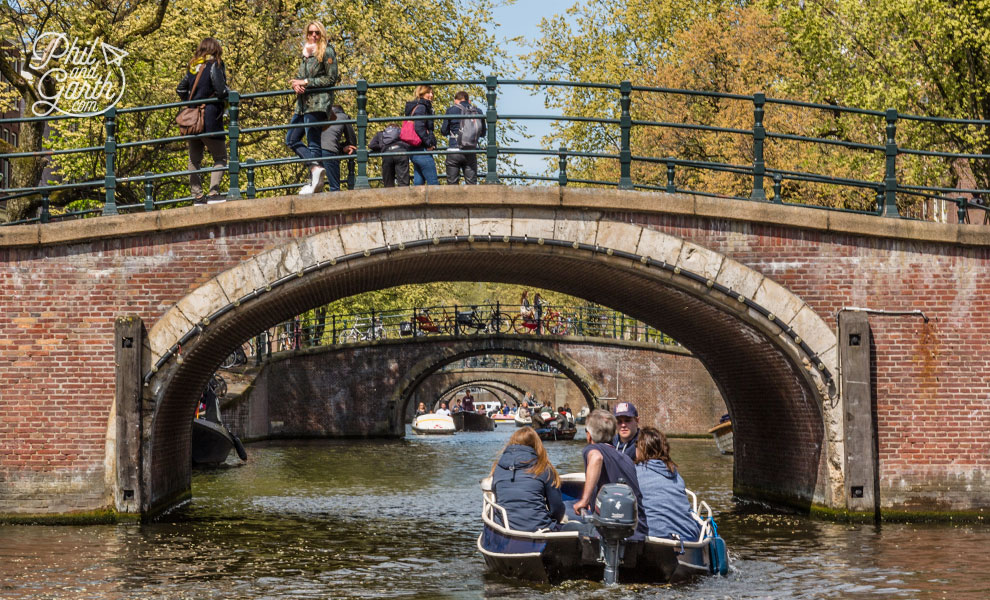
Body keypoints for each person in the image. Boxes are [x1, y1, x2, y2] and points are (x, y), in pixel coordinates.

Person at [571, 409, 648, 537]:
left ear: (589, 435)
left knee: (568, 526)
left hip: (612, 535)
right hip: (639, 532)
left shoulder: (592, 448)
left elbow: (596, 459)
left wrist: (585, 500)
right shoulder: (627, 459)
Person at [286, 21, 338, 195]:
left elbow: (331, 79)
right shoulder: (306, 53)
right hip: (302, 105)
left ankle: (314, 182)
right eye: (311, 33)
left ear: (321, 34)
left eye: (317, 33)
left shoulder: (327, 51)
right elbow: (301, 77)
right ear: (307, 34)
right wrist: (296, 85)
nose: (314, 36)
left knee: (313, 142)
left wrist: (306, 83)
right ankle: (316, 169)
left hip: (318, 103)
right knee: (291, 139)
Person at [176, 37, 229, 204]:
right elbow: (220, 90)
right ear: (215, 49)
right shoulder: (215, 65)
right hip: (209, 118)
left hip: (192, 121)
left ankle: (197, 196)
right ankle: (214, 193)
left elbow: (180, 89)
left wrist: (192, 102)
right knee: (220, 156)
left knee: (194, 159)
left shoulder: (193, 66)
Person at [490, 427, 565, 531]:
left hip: (506, 527)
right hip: (539, 529)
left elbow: (496, 496)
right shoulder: (543, 468)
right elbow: (556, 508)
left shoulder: (497, 468)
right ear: (537, 445)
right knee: (578, 527)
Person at [635, 427, 702, 541]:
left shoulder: (634, 472)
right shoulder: (674, 473)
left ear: (641, 449)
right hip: (688, 538)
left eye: (636, 446)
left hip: (654, 539)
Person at [441, 90, 486, 184]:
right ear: (468, 100)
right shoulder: (478, 111)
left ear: (456, 100)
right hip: (470, 150)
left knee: (452, 184)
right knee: (471, 184)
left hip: (454, 150)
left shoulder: (451, 110)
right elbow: (483, 133)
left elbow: (443, 131)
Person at [404, 85, 439, 185]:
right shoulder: (422, 107)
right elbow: (419, 127)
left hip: (414, 149)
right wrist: (429, 143)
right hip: (421, 149)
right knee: (433, 182)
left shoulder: (417, 106)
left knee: (418, 183)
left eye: (432, 93)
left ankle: (416, 200)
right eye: (428, 93)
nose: (431, 95)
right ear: (422, 93)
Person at [321, 104, 356, 191]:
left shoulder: (322, 117)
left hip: (314, 151)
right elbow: (352, 141)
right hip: (329, 151)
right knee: (334, 187)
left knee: (315, 186)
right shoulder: (343, 117)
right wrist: (343, 148)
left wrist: (340, 148)